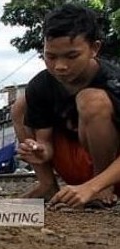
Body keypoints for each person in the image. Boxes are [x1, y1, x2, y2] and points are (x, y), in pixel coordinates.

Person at [12, 4, 120, 208]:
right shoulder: (42, 85)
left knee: (91, 100)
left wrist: (94, 186)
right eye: (51, 57)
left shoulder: (113, 82)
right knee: (20, 106)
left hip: (111, 173)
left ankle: (103, 188)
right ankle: (47, 185)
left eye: (71, 56)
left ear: (94, 49)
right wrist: (40, 150)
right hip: (75, 166)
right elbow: (46, 144)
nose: (60, 67)